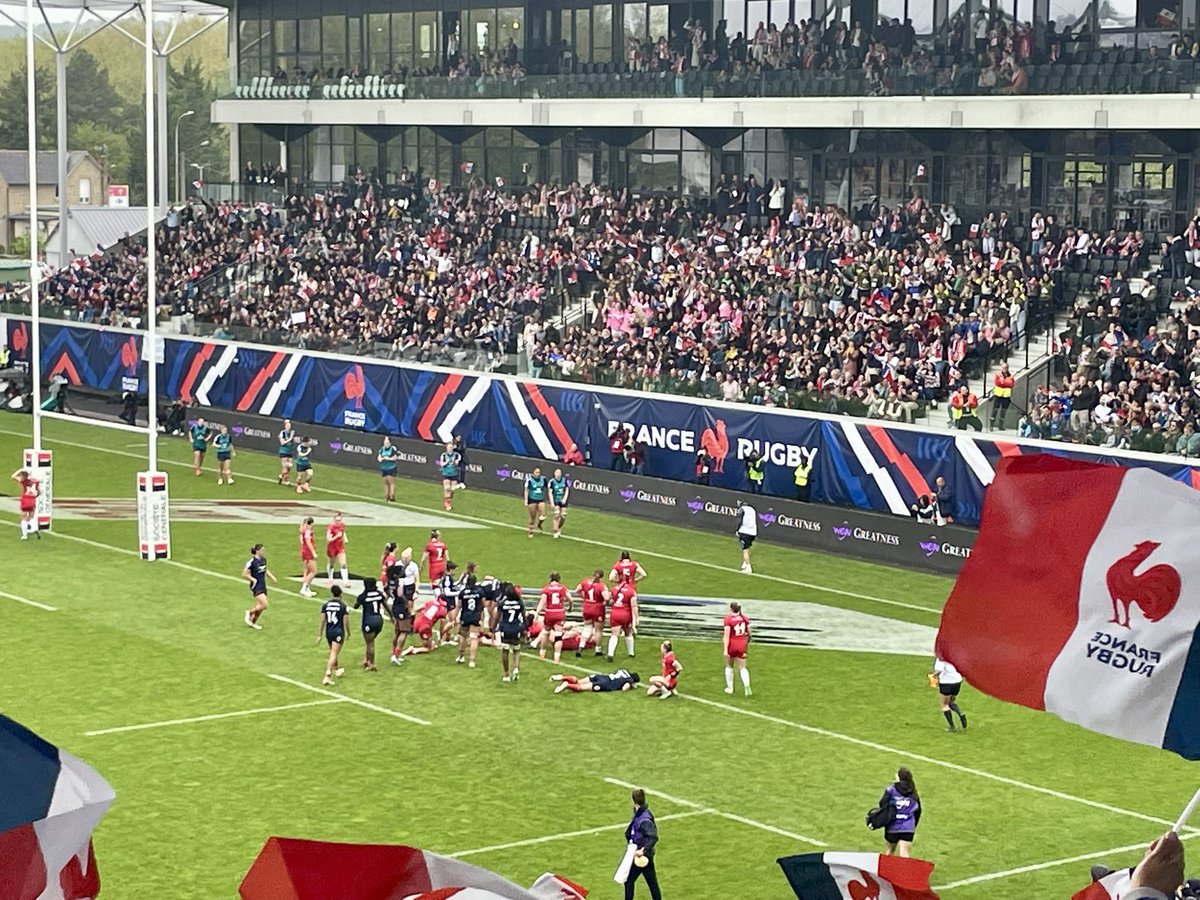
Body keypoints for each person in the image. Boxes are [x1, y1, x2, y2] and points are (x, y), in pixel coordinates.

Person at [622, 788, 662, 900]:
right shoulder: (641, 814)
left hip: (641, 856)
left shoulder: (643, 818)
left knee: (629, 881)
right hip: (643, 855)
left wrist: (642, 850)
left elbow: (653, 837)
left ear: (633, 800)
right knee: (652, 883)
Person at [877, 767, 922, 857]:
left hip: (893, 826)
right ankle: (904, 867)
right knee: (905, 853)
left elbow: (882, 804)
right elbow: (918, 811)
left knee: (890, 851)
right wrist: (913, 825)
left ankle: (887, 866)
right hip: (908, 827)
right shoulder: (913, 791)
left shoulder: (891, 789)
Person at [389, 547, 419, 665]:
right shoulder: (401, 583)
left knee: (396, 631)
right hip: (402, 606)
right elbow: (401, 594)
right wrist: (408, 605)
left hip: (395, 606)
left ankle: (394, 654)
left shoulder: (393, 581)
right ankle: (396, 655)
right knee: (404, 631)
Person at [535, 572, 573, 663]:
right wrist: (570, 607)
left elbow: (542, 601)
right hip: (559, 612)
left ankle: (542, 653)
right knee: (558, 635)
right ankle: (557, 656)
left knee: (546, 632)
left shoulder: (547, 588)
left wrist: (537, 612)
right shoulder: (563, 588)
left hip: (549, 612)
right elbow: (571, 599)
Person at [318, 585, 349, 685]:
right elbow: (346, 621)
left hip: (329, 631)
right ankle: (327, 675)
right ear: (341, 593)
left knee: (333, 651)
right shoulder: (343, 606)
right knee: (334, 653)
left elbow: (322, 620)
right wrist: (348, 632)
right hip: (338, 631)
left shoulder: (326, 605)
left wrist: (320, 634)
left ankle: (336, 669)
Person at [496, 583, 527, 682]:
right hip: (516, 628)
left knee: (505, 650)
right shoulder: (519, 603)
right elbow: (524, 617)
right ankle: (516, 667)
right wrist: (526, 629)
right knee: (516, 649)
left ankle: (506, 674)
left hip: (505, 628)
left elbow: (497, 617)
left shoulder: (502, 603)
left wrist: (493, 628)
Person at [355, 577, 387, 671]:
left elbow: (356, 606)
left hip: (369, 621)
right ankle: (367, 660)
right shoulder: (379, 594)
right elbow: (385, 605)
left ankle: (372, 664)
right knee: (370, 641)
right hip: (379, 620)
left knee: (370, 643)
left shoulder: (364, 596)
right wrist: (392, 616)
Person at [243, 543, 277, 630]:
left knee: (260, 606)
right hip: (256, 586)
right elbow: (244, 573)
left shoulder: (263, 559)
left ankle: (253, 622)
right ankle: (250, 612)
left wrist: (272, 577)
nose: (263, 552)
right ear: (257, 551)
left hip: (263, 584)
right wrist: (253, 580)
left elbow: (265, 570)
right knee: (265, 604)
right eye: (262, 550)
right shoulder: (252, 562)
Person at [455, 571, 485, 667]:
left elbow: (459, 605)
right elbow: (483, 604)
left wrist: (454, 617)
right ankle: (472, 660)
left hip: (465, 616)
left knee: (463, 637)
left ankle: (461, 656)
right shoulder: (480, 591)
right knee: (474, 638)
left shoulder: (463, 592)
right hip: (475, 616)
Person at [578, 569, 610, 657]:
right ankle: (598, 650)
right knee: (598, 630)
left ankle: (581, 646)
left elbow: (577, 590)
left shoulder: (585, 582)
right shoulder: (602, 586)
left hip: (587, 606)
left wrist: (584, 598)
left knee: (587, 627)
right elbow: (607, 598)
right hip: (597, 608)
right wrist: (605, 603)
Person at [723, 601, 752, 696]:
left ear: (731, 608)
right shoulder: (744, 618)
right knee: (743, 667)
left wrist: (725, 649)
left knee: (729, 666)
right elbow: (749, 633)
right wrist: (747, 641)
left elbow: (726, 636)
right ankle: (747, 685)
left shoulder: (728, 619)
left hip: (732, 644)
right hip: (742, 644)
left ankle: (730, 688)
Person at [932, 656, 968, 731]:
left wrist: (933, 676)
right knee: (951, 702)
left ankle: (952, 727)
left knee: (945, 705)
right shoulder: (954, 655)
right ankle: (960, 713)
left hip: (946, 683)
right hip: (957, 681)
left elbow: (939, 670)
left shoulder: (941, 657)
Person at [608, 579, 639, 661]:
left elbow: (609, 599)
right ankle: (631, 653)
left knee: (614, 634)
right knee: (628, 633)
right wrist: (636, 617)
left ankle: (610, 653)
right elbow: (634, 605)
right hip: (626, 613)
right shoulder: (631, 591)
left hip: (615, 613)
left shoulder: (614, 589)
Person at [550, 668, 641, 693]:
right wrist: (631, 686)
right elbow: (624, 688)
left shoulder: (623, 670)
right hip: (605, 683)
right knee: (581, 688)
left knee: (578, 681)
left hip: (602, 677)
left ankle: (563, 677)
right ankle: (567, 685)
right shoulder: (629, 680)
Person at [436, 560, 461, 643]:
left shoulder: (446, 578)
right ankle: (442, 635)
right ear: (450, 570)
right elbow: (447, 592)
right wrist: (458, 593)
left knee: (448, 620)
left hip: (447, 600)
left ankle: (446, 637)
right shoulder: (447, 579)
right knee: (454, 621)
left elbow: (451, 587)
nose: (455, 572)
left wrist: (460, 581)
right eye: (455, 570)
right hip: (448, 601)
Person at [11, 469, 40, 540]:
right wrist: (35, 496)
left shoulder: (24, 481)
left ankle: (25, 535)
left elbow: (13, 476)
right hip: (32, 499)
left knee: (23, 517)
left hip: (25, 499)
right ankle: (35, 528)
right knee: (31, 516)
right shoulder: (36, 481)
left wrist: (19, 470)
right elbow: (39, 491)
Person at [326, 512, 349, 587]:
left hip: (340, 547)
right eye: (337, 520)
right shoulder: (331, 527)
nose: (338, 522)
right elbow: (329, 539)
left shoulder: (342, 526)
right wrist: (336, 536)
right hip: (332, 547)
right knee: (332, 564)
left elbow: (343, 532)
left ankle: (345, 581)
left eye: (340, 520)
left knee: (343, 564)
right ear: (334, 520)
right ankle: (330, 578)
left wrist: (345, 538)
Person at [524, 466, 548, 536]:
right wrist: (526, 500)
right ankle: (530, 530)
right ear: (533, 473)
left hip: (541, 499)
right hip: (532, 499)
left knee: (543, 515)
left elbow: (548, 487)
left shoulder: (543, 479)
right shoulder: (529, 480)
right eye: (537, 472)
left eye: (539, 472)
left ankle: (539, 524)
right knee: (533, 516)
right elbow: (526, 490)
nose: (538, 474)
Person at [438, 441, 462, 511]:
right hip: (446, 474)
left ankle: (448, 502)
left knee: (452, 490)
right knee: (447, 488)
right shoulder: (444, 455)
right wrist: (446, 462)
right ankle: (447, 504)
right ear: (446, 448)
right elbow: (441, 464)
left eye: (451, 447)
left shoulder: (457, 455)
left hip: (454, 474)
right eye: (449, 447)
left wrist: (455, 462)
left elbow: (457, 463)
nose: (450, 449)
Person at [422, 529, 448, 593]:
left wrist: (422, 565)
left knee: (434, 584)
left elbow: (424, 558)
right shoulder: (443, 544)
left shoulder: (429, 545)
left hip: (434, 566)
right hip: (442, 565)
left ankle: (438, 597)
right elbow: (447, 557)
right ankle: (443, 595)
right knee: (442, 583)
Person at [736, 498, 758, 574]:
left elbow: (739, 520)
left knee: (745, 550)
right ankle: (745, 562)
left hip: (745, 531)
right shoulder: (752, 509)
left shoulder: (742, 510)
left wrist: (737, 530)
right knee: (748, 548)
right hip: (753, 532)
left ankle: (748, 567)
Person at [548, 468, 570, 538]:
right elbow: (550, 493)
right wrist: (552, 502)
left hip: (563, 500)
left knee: (563, 516)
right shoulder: (552, 481)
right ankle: (555, 531)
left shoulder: (564, 481)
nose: (557, 474)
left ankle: (559, 528)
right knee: (556, 515)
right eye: (556, 473)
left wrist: (564, 499)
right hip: (556, 500)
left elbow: (567, 490)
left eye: (559, 473)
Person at [298, 516, 317, 597]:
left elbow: (302, 541)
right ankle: (304, 588)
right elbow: (308, 542)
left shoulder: (304, 530)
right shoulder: (307, 532)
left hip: (305, 552)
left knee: (309, 571)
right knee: (313, 571)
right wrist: (313, 552)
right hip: (308, 553)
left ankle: (307, 588)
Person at [991, 363, 1014, 429]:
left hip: (1006, 396)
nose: (1004, 369)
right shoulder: (998, 374)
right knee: (995, 410)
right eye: (1003, 368)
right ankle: (991, 425)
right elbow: (997, 382)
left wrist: (1003, 382)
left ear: (1007, 368)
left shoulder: (1011, 376)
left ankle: (1001, 426)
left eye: (1005, 368)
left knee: (1003, 411)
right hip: (998, 395)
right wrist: (1006, 383)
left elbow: (1011, 384)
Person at [378, 436, 398, 502]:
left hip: (391, 467)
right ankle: (386, 496)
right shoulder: (382, 449)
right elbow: (379, 457)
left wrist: (388, 458)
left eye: (387, 443)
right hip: (384, 467)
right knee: (385, 482)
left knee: (390, 481)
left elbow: (395, 457)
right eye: (385, 443)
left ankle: (392, 495)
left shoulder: (393, 448)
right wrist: (381, 459)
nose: (386, 444)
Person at [277, 418, 296, 485]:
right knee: (286, 466)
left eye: (289, 426)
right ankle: (286, 480)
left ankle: (281, 476)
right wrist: (290, 438)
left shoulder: (291, 433)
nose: (289, 427)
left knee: (289, 468)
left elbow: (292, 442)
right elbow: (282, 443)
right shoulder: (282, 433)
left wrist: (292, 438)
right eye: (287, 426)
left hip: (290, 451)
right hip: (283, 451)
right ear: (285, 426)